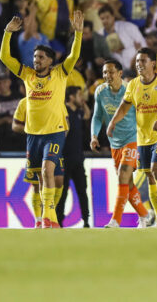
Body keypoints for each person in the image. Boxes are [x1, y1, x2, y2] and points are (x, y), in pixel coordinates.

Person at [0, 10, 83, 228]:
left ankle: (50, 218)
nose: (36, 61)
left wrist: (78, 34)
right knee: (37, 180)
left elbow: (73, 56)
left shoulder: (59, 73)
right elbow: (4, 58)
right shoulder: (27, 74)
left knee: (48, 171)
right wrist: (7, 32)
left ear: (51, 60)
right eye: (35, 57)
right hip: (32, 135)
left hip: (53, 132)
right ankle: (39, 220)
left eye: (41, 57)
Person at [107, 48, 157, 228]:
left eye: (143, 61)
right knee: (150, 176)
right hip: (143, 138)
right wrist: (113, 122)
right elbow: (124, 106)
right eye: (137, 61)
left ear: (153, 64)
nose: (139, 64)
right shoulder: (133, 84)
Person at [90, 60, 151, 227]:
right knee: (128, 182)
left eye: (110, 72)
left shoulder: (131, 90)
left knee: (123, 174)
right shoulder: (100, 91)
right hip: (114, 142)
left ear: (120, 73)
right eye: (104, 73)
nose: (107, 76)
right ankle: (145, 215)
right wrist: (94, 136)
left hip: (133, 139)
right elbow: (97, 116)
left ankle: (115, 220)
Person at [56, 86, 91, 227]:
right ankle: (58, 220)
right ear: (71, 97)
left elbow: (88, 115)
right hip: (65, 158)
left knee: (82, 190)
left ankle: (86, 220)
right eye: (79, 95)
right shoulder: (64, 112)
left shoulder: (78, 112)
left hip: (78, 158)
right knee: (62, 192)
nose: (81, 97)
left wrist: (83, 103)